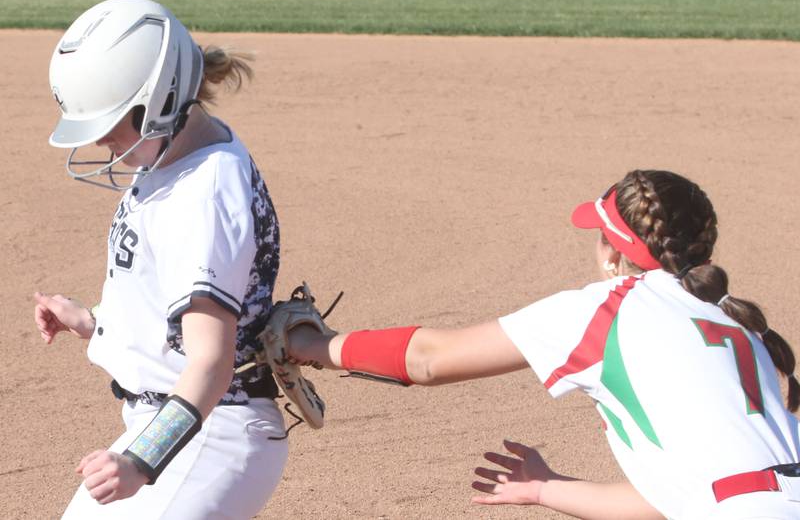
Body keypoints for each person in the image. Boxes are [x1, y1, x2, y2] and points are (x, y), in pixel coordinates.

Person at [284, 169, 800, 518]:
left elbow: (429, 360)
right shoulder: (735, 323)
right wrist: (544, 488)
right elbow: (674, 498)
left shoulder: (608, 308)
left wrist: (315, 346)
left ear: (611, 251)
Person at [34, 0, 287, 519]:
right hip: (172, 424)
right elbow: (176, 311)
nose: (100, 139)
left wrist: (142, 462)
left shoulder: (204, 192)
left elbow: (212, 363)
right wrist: (96, 322)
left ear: (161, 99)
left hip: (212, 436)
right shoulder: (173, 157)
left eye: (109, 122)